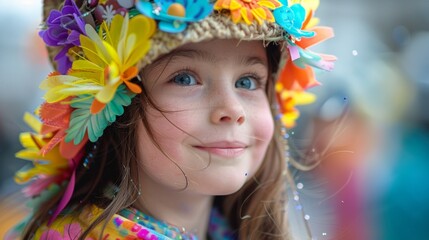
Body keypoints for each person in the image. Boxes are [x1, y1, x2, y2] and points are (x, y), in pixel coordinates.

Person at [6, 0, 334, 239]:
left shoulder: (227, 229)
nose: (232, 110)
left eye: (247, 82)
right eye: (185, 79)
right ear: (113, 105)